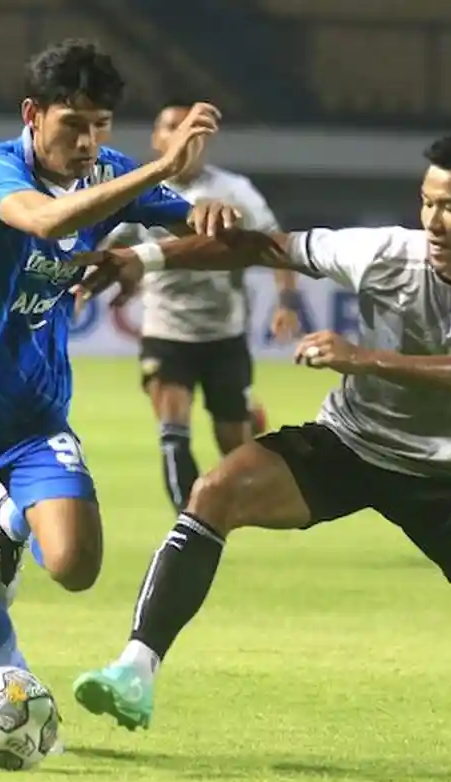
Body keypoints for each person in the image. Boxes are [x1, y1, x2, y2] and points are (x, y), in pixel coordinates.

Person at [70, 128, 451, 780]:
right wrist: (146, 260)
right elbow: (266, 247)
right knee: (213, 494)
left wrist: (360, 358)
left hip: (450, 476)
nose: (435, 221)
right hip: (351, 444)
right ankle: (135, 668)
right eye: (429, 202)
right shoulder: (384, 251)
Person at [0, 38, 239, 675]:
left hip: (29, 408)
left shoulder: (106, 172)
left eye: (100, 127)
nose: (88, 144)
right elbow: (45, 221)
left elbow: (198, 233)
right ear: (32, 114)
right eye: (73, 125)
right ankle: (10, 683)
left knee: (77, 565)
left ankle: (12, 516)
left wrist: (201, 217)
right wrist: (161, 168)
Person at [101, 99, 302, 512]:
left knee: (235, 445)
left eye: (188, 126)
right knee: (173, 432)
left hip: (222, 334)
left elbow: (274, 243)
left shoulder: (234, 191)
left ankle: (246, 423)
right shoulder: (139, 191)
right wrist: (96, 277)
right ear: (158, 139)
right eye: (170, 126)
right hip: (165, 333)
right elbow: (110, 242)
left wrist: (286, 301)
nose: (181, 133)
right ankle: (189, 524)